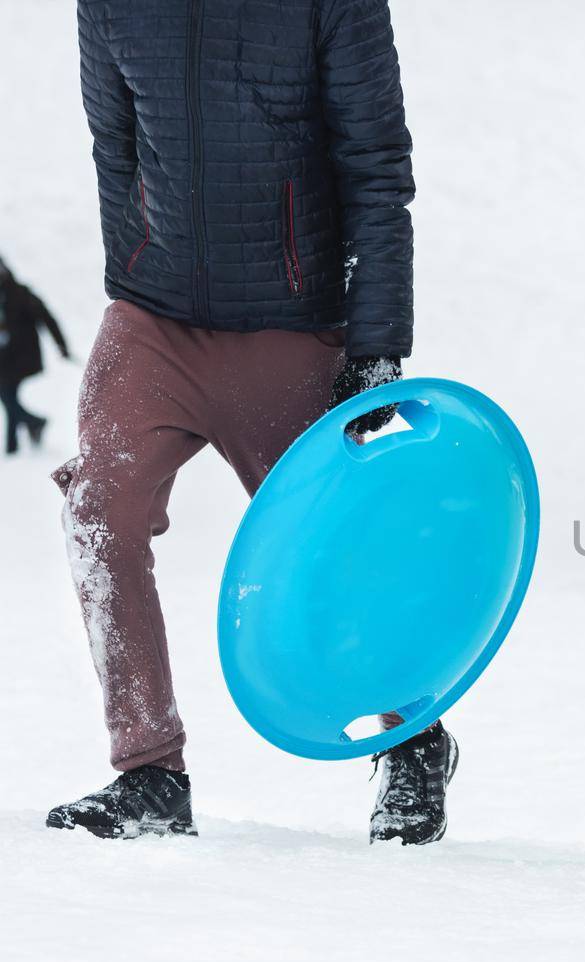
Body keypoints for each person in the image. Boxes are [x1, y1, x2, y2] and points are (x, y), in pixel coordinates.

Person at [49, 0, 455, 844]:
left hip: (288, 318)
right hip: (156, 316)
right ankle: (150, 771)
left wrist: (375, 344)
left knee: (329, 550)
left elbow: (376, 167)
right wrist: (136, 264)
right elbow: (113, 144)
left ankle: (413, 741)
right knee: (98, 507)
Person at [0, 258, 72, 455]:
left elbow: (46, 318)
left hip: (20, 358)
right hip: (3, 361)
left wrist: (61, 346)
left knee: (7, 397)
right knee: (9, 398)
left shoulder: (20, 293)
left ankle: (33, 426)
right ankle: (15, 444)